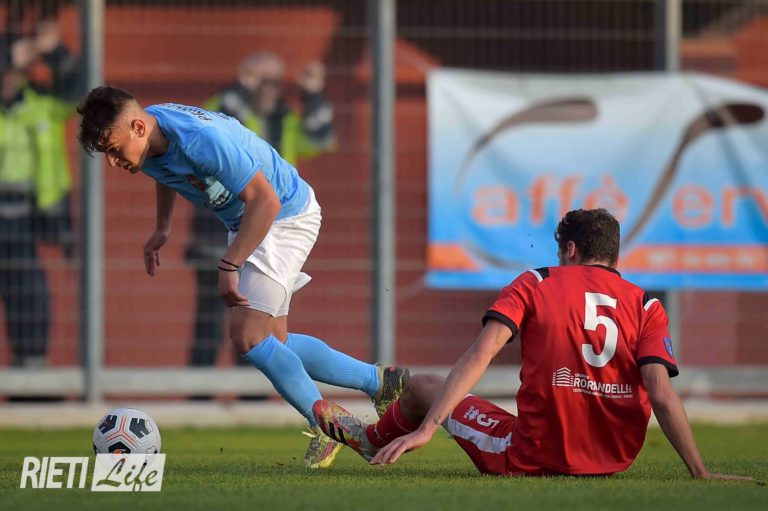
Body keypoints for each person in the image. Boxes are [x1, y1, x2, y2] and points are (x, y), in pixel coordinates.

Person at [76, 86, 406, 469]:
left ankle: (331, 426)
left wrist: (229, 265)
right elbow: (165, 170)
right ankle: (380, 382)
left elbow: (266, 201)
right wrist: (163, 226)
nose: (112, 162)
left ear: (137, 127)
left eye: (114, 150)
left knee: (247, 335)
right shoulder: (148, 137)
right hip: (249, 220)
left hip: (282, 216)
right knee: (275, 341)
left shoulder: (200, 139)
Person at [313, 209, 753, 480]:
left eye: (561, 252)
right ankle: (375, 435)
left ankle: (370, 439)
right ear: (615, 255)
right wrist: (700, 471)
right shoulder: (646, 304)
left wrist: (428, 428)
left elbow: (481, 354)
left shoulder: (537, 281)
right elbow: (660, 391)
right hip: (614, 459)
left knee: (422, 385)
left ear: (571, 250)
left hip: (530, 456)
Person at [188, 51, 335, 367]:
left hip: (270, 234)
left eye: (276, 82)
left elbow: (320, 138)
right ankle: (200, 388)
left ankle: (252, 387)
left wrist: (312, 94)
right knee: (210, 322)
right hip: (219, 231)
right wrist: (241, 87)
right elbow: (210, 123)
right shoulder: (229, 110)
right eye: (261, 81)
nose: (269, 89)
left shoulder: (285, 121)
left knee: (256, 321)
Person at [0, 22, 77, 368]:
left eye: (18, 71)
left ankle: (31, 378)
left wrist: (53, 52)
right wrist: (9, 54)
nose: (11, 78)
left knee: (31, 300)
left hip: (22, 224)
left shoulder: (41, 105)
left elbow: (81, 91)